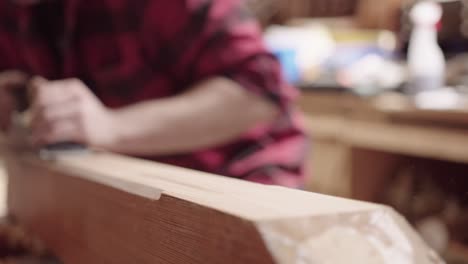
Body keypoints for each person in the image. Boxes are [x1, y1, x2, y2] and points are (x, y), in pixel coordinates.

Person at [0, 0, 307, 188]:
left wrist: (113, 126)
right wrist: (19, 101)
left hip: (232, 181)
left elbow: (260, 91)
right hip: (113, 189)